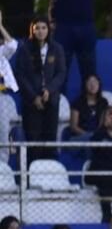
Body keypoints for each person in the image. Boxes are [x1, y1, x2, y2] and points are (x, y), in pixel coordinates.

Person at [41, 0, 99, 86]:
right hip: (63, 26)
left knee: (88, 68)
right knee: (60, 68)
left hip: (85, 25)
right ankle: (59, 103)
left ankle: (88, 104)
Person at [14, 16, 67, 164]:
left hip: (51, 101)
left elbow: (61, 73)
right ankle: (32, 179)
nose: (40, 31)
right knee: (34, 143)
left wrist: (49, 90)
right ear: (32, 30)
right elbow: (20, 74)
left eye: (44, 28)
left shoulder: (57, 48)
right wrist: (33, 97)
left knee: (50, 141)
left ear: (48, 29)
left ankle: (49, 178)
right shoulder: (25, 49)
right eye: (37, 28)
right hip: (31, 104)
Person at [0, 11, 19, 165]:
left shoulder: (1, 53)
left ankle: (2, 170)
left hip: (2, 99)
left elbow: (12, 45)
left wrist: (0, 26)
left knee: (3, 133)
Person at [69, 74, 108, 138]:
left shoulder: (103, 102)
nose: (93, 85)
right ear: (85, 85)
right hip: (80, 136)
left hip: (97, 137)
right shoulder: (77, 102)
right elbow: (73, 127)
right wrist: (88, 135)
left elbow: (102, 125)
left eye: (95, 82)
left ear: (99, 85)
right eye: (90, 82)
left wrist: (96, 136)